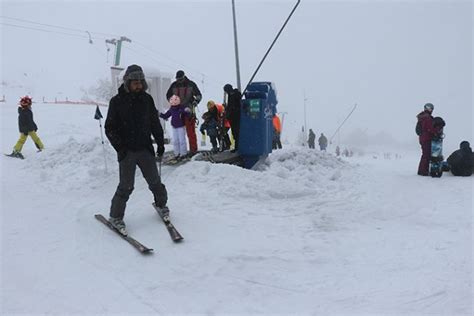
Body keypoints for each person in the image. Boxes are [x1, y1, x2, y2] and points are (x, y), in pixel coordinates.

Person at [105, 64, 168, 235]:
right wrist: (120, 148)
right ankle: (115, 216)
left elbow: (155, 123)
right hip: (127, 151)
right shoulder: (116, 102)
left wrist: (161, 143)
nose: (139, 85)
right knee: (126, 186)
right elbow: (109, 128)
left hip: (145, 149)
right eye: (135, 82)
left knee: (155, 182)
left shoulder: (147, 100)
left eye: (141, 82)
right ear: (127, 82)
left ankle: (162, 205)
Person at [166, 70, 202, 156]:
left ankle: (193, 150)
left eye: (180, 79)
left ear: (184, 77)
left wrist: (196, 101)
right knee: (179, 133)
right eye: (177, 79)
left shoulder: (191, 84)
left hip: (188, 110)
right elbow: (168, 95)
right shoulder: (174, 85)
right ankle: (181, 151)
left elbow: (198, 95)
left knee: (190, 132)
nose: (179, 81)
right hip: (177, 111)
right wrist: (172, 101)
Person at [160, 95, 189, 160]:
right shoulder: (171, 109)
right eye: (172, 103)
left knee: (182, 140)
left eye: (175, 103)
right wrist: (160, 114)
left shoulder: (182, 107)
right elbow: (166, 116)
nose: (174, 105)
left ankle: (183, 153)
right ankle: (177, 153)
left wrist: (187, 111)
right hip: (174, 126)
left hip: (181, 126)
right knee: (175, 141)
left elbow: (187, 114)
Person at [416, 103, 442, 176]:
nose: (429, 110)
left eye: (431, 108)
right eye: (428, 108)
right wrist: (438, 130)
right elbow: (430, 128)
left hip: (423, 138)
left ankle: (423, 170)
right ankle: (423, 171)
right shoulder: (427, 117)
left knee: (425, 154)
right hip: (426, 138)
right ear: (425, 108)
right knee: (426, 155)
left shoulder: (423, 117)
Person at [223, 84, 242, 152]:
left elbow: (237, 104)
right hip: (232, 117)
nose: (226, 93)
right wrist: (226, 108)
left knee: (237, 132)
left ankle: (238, 148)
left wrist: (231, 109)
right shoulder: (230, 95)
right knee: (234, 133)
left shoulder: (236, 94)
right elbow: (230, 106)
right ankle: (236, 147)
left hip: (236, 116)